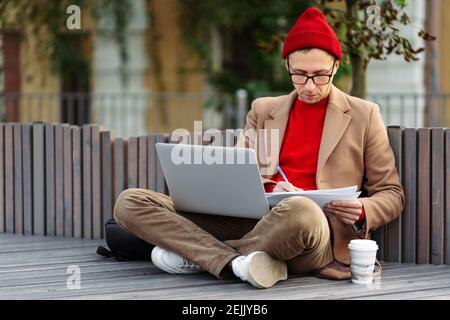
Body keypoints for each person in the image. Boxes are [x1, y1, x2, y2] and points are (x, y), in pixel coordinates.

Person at [113, 7, 404, 289]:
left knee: (301, 209)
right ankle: (238, 263)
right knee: (130, 202)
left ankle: (199, 257)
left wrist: (363, 208)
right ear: (287, 65)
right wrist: (268, 189)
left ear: (336, 66)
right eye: (300, 74)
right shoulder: (264, 110)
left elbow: (392, 194)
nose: (310, 86)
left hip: (312, 232)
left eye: (320, 75)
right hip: (254, 222)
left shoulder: (364, 115)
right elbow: (241, 177)